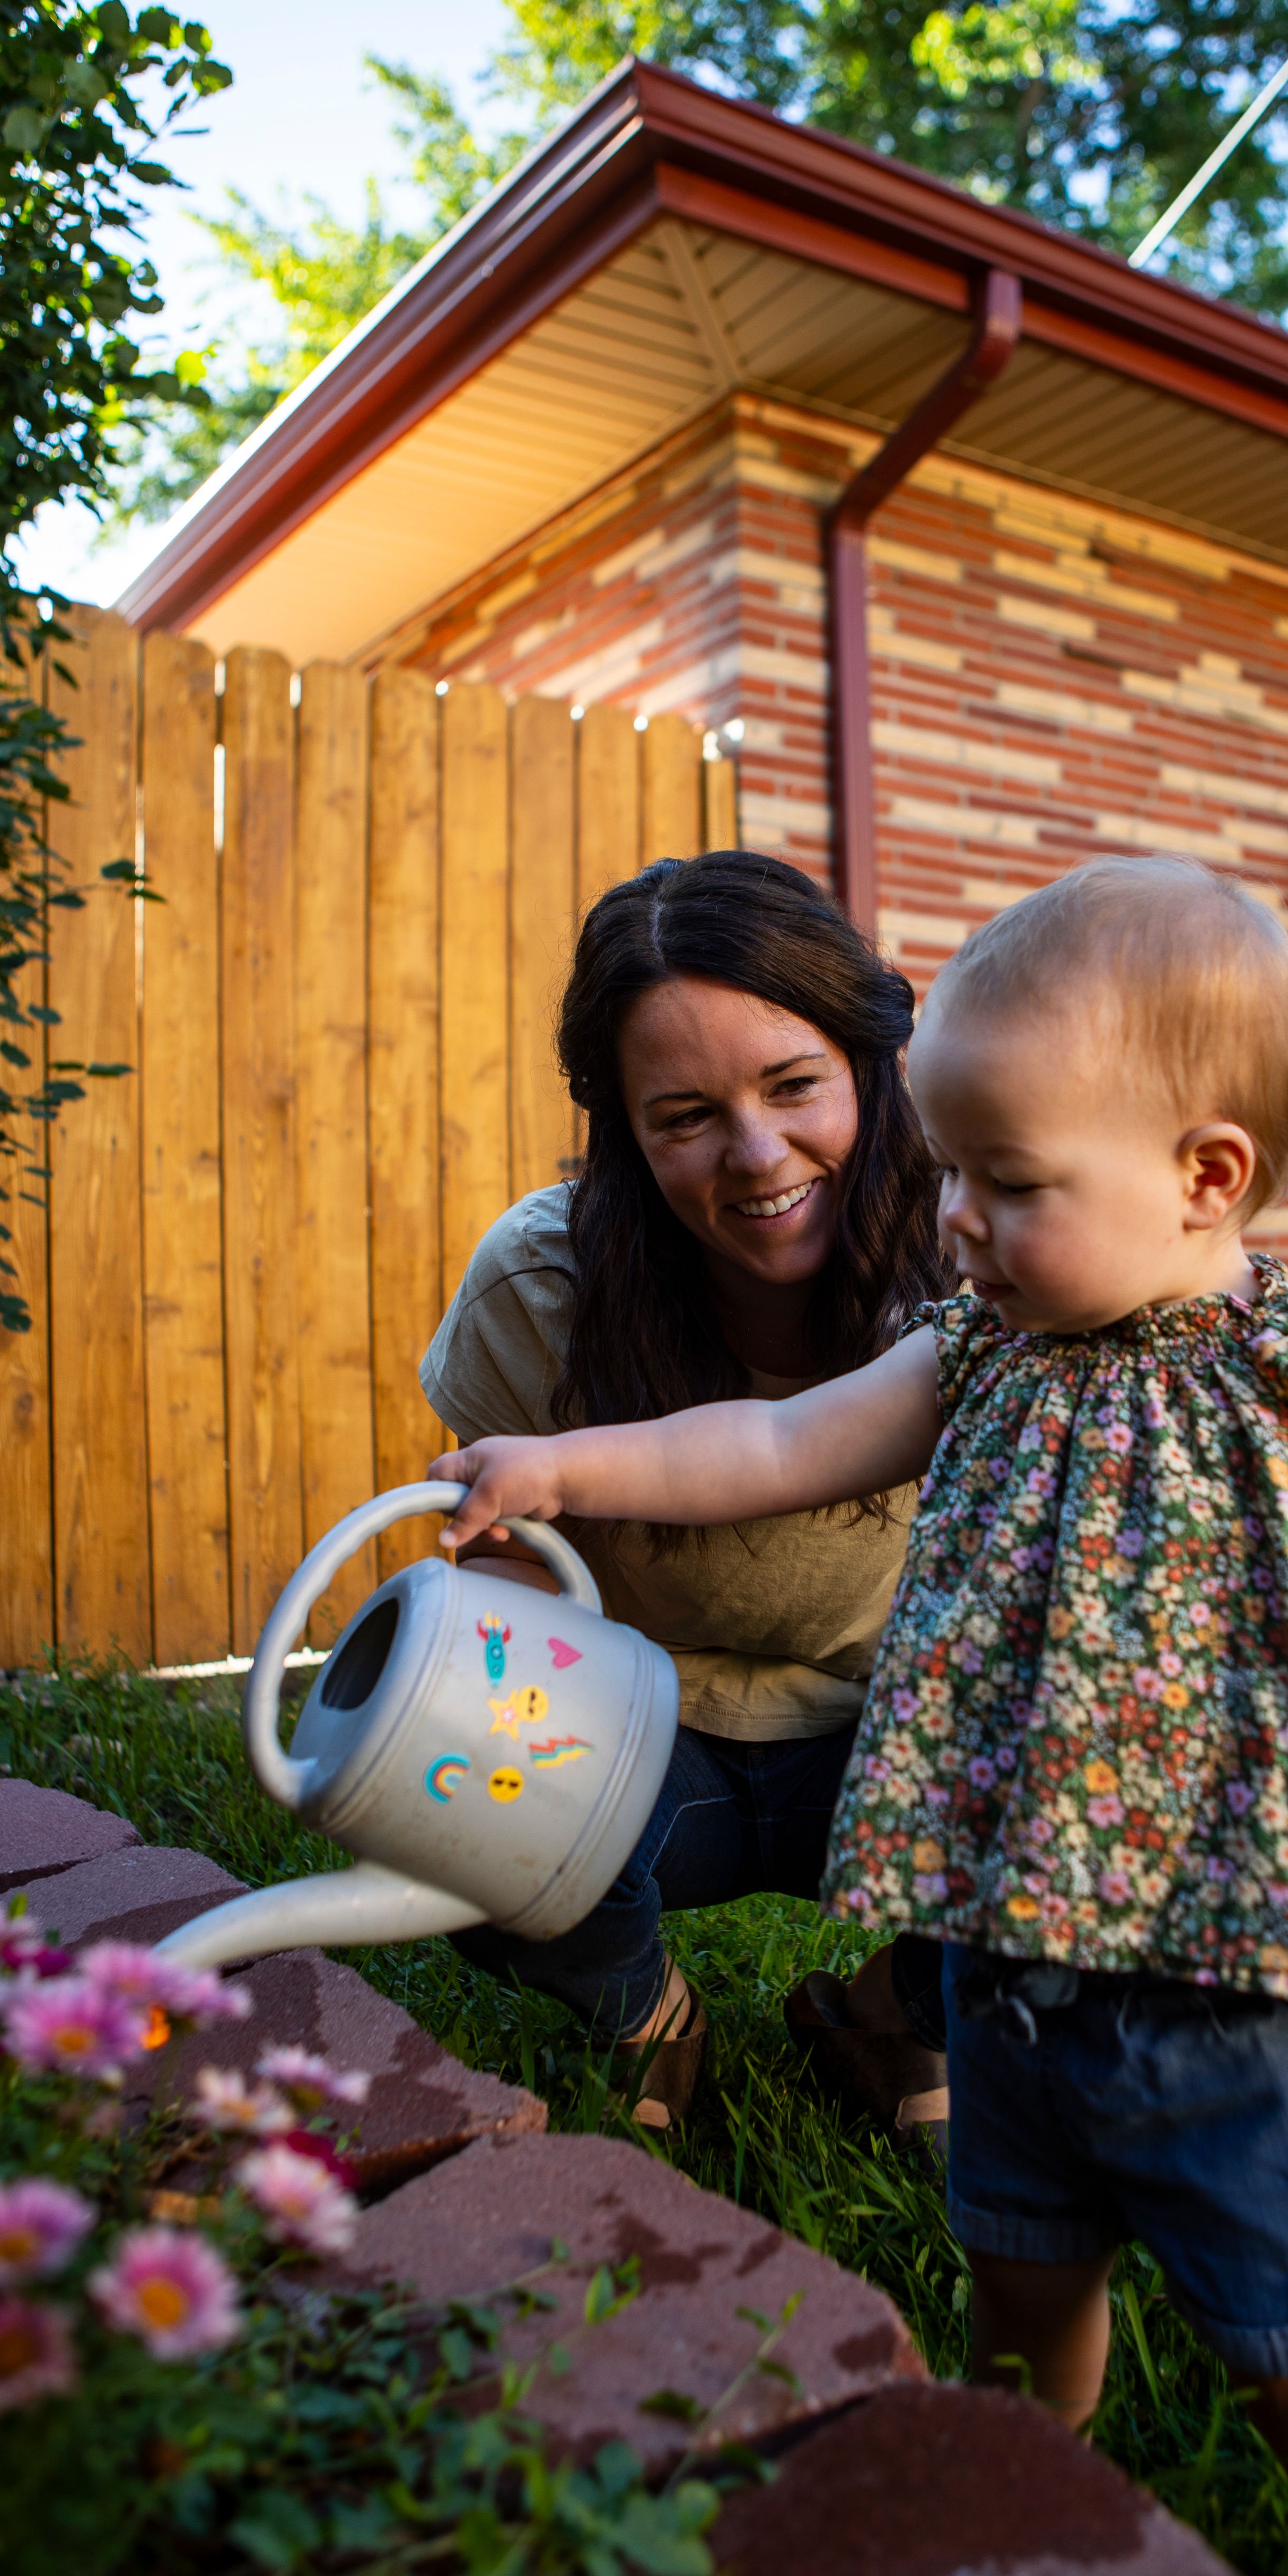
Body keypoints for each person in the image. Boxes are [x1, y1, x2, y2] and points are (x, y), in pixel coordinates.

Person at [427, 851, 1288, 2576]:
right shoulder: (972, 1351)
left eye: (1006, 1185)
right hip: (1011, 1972)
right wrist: (563, 1461)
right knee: (1015, 2294)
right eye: (947, 1170)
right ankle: (1024, 2533)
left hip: (1237, 1991)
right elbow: (773, 1440)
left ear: (1202, 1175)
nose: (950, 1218)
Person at [420, 849, 953, 2131]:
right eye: (686, 1116)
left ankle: (896, 2015)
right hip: (645, 1744)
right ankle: (644, 2014)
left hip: (900, 1745)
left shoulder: (978, 1261)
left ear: (871, 1064)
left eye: (794, 1085)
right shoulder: (541, 1288)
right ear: (624, 1129)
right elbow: (499, 1592)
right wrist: (495, 1762)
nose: (757, 1154)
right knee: (453, 1776)